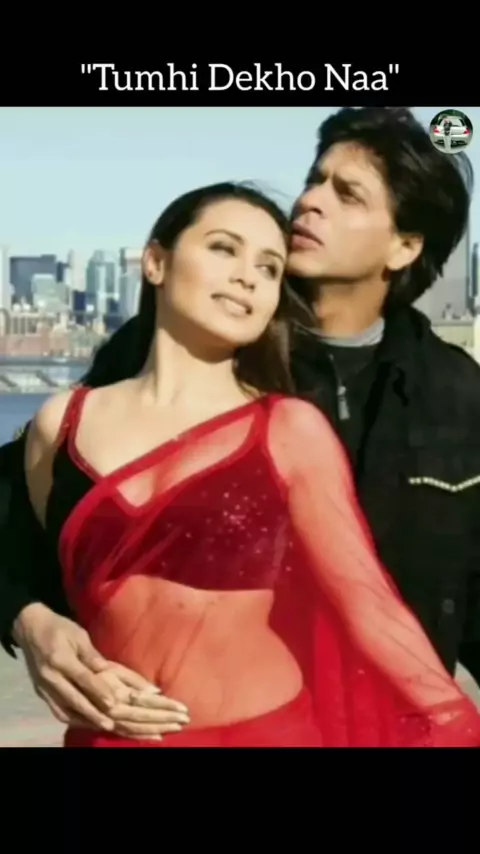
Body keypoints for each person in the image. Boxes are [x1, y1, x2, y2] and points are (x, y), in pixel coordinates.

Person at [1, 106, 480, 739]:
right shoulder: (185, 345)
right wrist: (28, 619)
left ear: (405, 246)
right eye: (314, 179)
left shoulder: (457, 394)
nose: (309, 202)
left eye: (347, 194)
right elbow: (20, 516)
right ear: (156, 263)